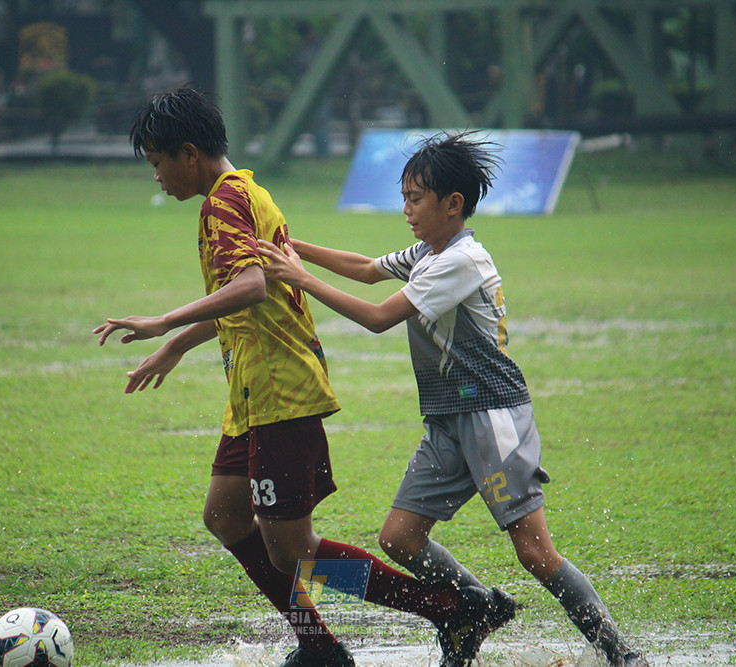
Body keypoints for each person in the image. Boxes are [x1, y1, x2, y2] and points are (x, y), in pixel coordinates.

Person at [93, 87, 511, 667]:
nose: (158, 177)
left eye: (158, 163)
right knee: (224, 515)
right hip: (252, 393)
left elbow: (250, 286)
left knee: (294, 550)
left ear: (189, 154)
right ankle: (319, 647)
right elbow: (242, 301)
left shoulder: (224, 203)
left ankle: (447, 607)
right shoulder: (247, 192)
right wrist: (177, 346)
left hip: (280, 391)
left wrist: (164, 321)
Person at [257, 131, 650, 667]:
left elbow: (376, 317)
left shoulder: (460, 261)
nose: (406, 210)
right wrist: (292, 247)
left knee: (534, 553)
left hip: (491, 416)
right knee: (399, 538)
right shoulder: (429, 251)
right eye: (403, 197)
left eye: (414, 199)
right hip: (447, 419)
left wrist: (298, 276)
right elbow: (367, 268)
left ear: (453, 204)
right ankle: (474, 606)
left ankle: (621, 652)